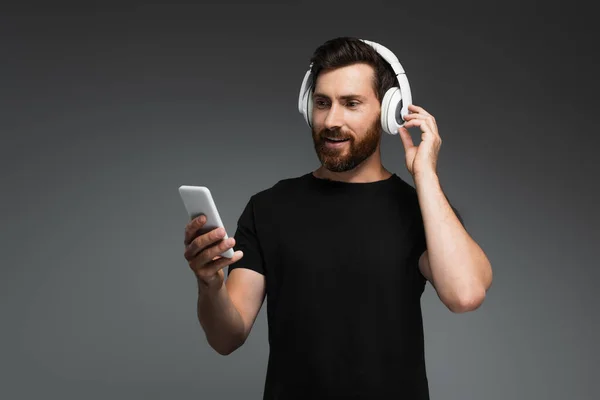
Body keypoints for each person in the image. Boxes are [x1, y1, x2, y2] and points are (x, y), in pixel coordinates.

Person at [183, 36, 493, 399]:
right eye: (322, 103)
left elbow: (465, 294)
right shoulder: (268, 208)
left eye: (351, 104)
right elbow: (226, 337)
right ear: (306, 107)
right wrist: (209, 284)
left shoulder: (421, 210)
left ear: (390, 111)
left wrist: (425, 175)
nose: (332, 120)